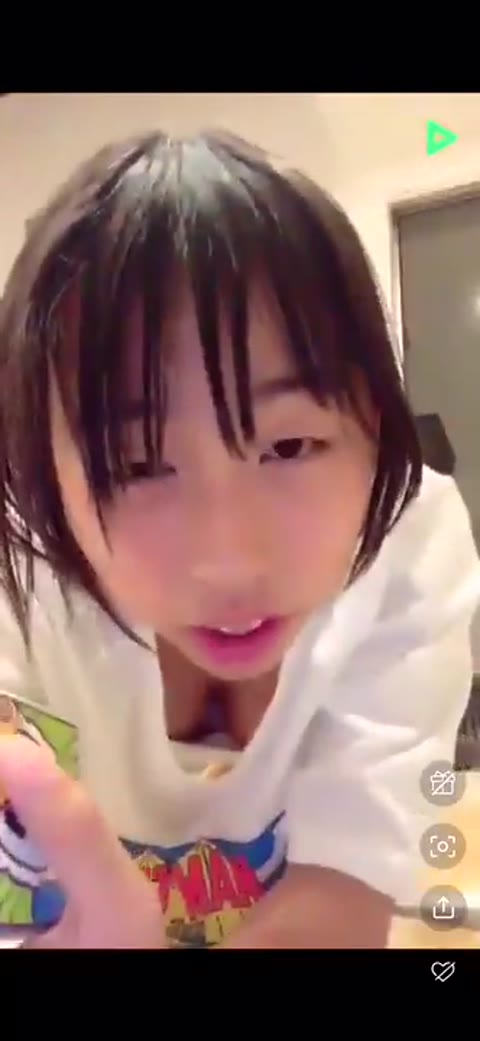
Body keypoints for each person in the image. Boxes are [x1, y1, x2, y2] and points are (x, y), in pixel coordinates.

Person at [0, 129, 479, 950]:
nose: (229, 561)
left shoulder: (408, 543)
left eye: (290, 445)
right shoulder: (21, 566)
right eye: (135, 464)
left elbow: (344, 891)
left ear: (374, 422)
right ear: (39, 469)